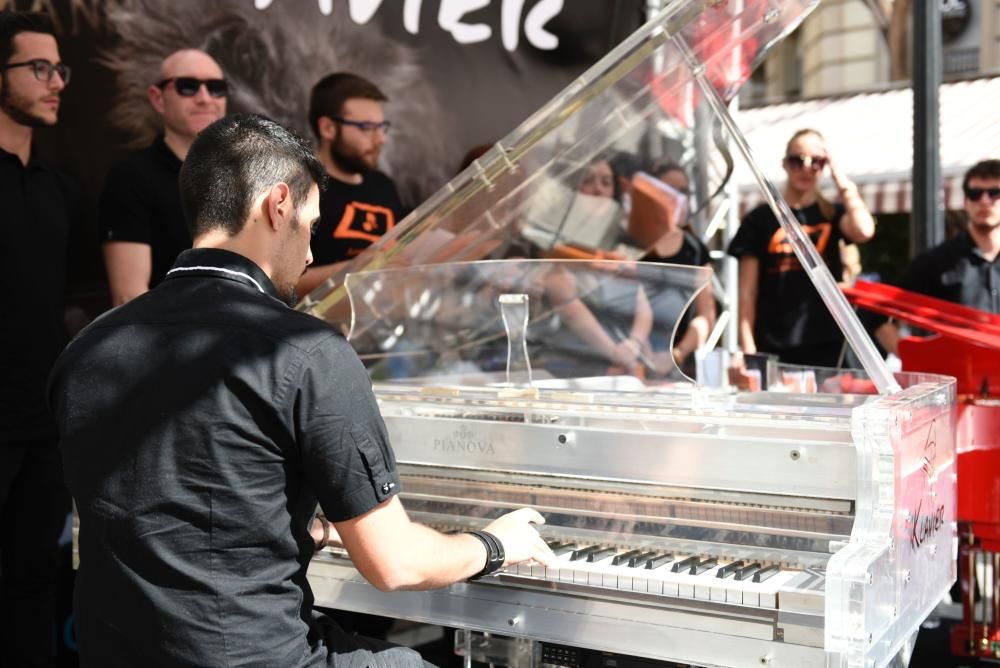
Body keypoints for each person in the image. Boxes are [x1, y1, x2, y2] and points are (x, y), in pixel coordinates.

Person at [49, 113, 554, 667]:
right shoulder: (304, 351)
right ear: (279, 204)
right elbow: (396, 564)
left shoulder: (86, 348)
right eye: (312, 226)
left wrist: (294, 531)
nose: (311, 254)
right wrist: (493, 544)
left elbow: (163, 509)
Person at [0, 11, 74, 666]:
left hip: (42, 426)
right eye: (39, 69)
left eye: (60, 70)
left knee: (34, 585)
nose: (56, 82)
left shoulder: (58, 188)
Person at [728, 129, 875, 367]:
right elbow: (747, 292)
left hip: (827, 340)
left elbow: (864, 230)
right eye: (798, 160)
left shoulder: (831, 214)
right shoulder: (760, 219)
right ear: (785, 164)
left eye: (816, 162)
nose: (806, 168)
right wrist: (748, 349)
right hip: (773, 342)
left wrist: (841, 182)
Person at [99, 48, 227, 305]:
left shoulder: (244, 174)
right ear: (157, 99)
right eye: (187, 86)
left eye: (216, 87)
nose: (204, 98)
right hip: (171, 339)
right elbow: (128, 296)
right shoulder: (131, 176)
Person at [873, 159, 1000, 354]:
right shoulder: (936, 261)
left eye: (994, 193)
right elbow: (879, 317)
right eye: (975, 194)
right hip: (960, 378)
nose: (984, 201)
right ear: (965, 202)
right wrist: (917, 361)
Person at [298, 72, 405, 297]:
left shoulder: (384, 186)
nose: (380, 139)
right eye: (366, 127)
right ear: (327, 128)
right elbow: (278, 283)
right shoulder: (298, 187)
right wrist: (357, 268)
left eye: (381, 126)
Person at [642, 163, 717, 373]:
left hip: (678, 366)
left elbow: (706, 314)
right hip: (630, 357)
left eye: (684, 191)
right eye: (670, 190)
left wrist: (678, 353)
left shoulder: (695, 249)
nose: (678, 197)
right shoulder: (632, 244)